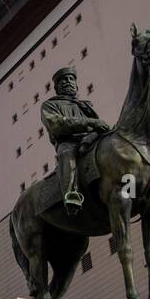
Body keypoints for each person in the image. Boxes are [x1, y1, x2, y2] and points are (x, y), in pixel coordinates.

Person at [40, 65, 110, 213]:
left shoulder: (85, 105)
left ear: (76, 85)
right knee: (67, 154)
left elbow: (96, 123)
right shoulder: (50, 105)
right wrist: (91, 123)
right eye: (63, 80)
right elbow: (57, 125)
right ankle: (71, 194)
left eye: (71, 79)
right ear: (57, 87)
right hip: (68, 142)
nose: (68, 82)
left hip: (91, 139)